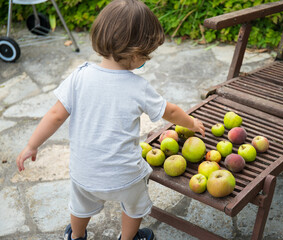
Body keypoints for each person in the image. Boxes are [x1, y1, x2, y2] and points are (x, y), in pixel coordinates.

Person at [16, 0, 205, 240]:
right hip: (124, 176)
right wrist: (192, 124)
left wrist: (32, 144)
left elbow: (55, 115)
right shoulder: (138, 86)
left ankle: (75, 236)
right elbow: (173, 112)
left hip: (84, 174)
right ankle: (127, 239)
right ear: (136, 55)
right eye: (148, 54)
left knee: (80, 205)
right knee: (135, 202)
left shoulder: (79, 76)